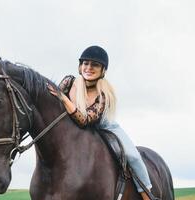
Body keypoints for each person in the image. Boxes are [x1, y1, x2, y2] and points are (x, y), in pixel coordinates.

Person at [47, 46, 152, 200]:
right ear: (80, 66)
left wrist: (63, 98)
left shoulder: (103, 94)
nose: (88, 68)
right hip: (72, 127)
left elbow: (84, 121)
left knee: (133, 156)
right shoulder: (69, 81)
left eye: (94, 65)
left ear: (103, 70)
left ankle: (147, 195)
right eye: (85, 63)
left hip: (104, 127)